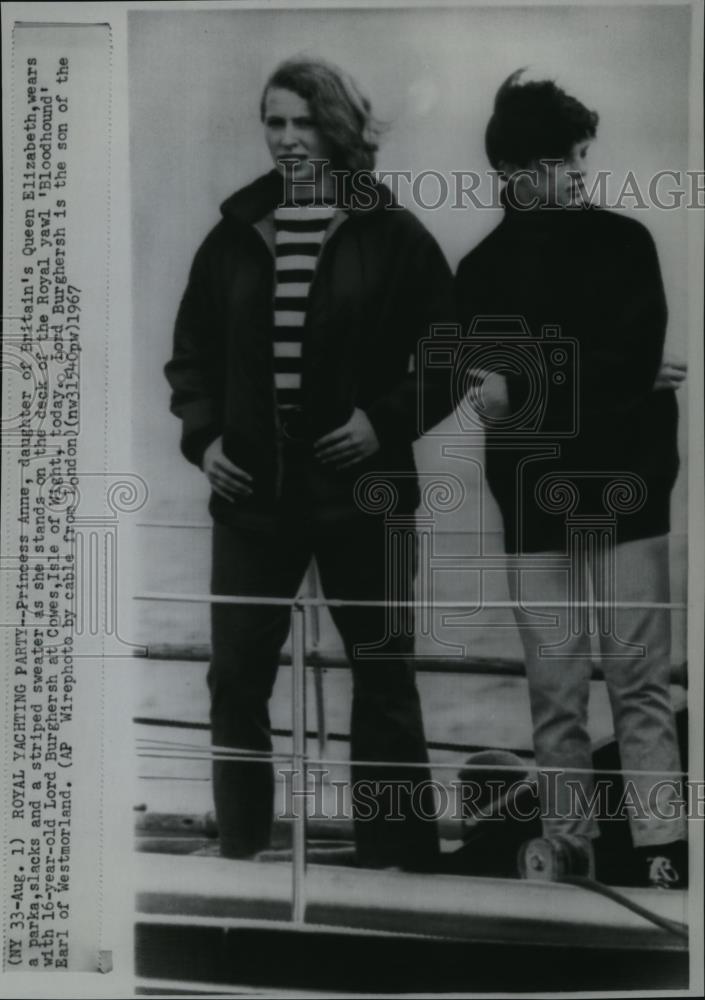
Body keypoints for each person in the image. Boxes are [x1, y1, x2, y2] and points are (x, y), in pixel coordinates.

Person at [165, 57, 455, 870]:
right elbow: (190, 360)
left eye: (303, 121)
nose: (287, 139)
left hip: (366, 492)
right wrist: (206, 439)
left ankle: (396, 862)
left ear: (337, 127)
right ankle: (244, 854)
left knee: (384, 676)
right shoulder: (231, 236)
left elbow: (447, 352)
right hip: (254, 497)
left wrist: (381, 423)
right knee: (234, 680)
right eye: (273, 121)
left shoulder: (393, 234)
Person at [455, 71, 688, 887]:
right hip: (531, 509)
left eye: (583, 157)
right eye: (568, 160)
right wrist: (605, 382)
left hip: (629, 501)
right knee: (554, 696)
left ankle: (662, 855)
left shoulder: (626, 244)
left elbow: (523, 390)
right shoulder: (477, 272)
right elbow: (490, 394)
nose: (582, 172)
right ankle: (568, 854)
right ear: (519, 170)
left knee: (638, 686)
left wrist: (530, 385)